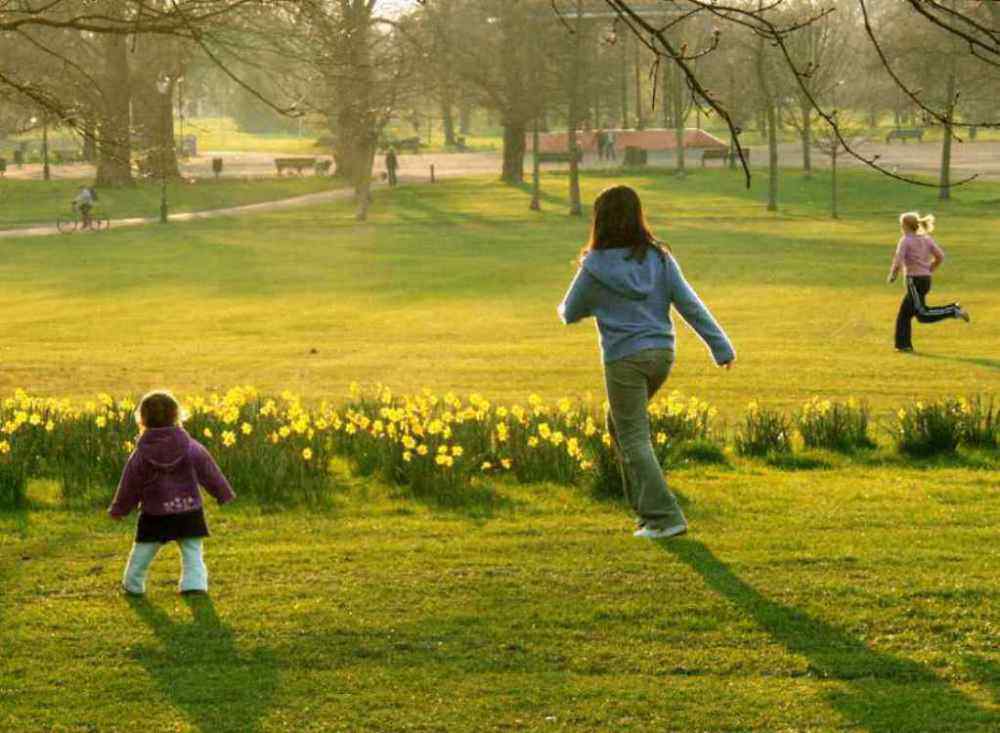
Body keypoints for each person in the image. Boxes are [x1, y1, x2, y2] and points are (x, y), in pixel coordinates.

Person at [558, 185, 734, 540]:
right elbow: (690, 304)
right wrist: (722, 348)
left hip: (624, 359)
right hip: (661, 356)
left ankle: (665, 517)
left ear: (600, 221)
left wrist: (593, 304)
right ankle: (644, 512)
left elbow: (570, 311)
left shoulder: (594, 267)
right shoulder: (659, 258)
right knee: (619, 424)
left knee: (633, 436)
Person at [109, 390, 235, 595]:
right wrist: (223, 493)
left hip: (154, 513)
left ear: (142, 419)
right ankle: (194, 584)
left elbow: (130, 483)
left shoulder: (141, 454)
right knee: (192, 551)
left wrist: (120, 509)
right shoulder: (191, 447)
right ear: (177, 415)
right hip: (188, 510)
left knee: (142, 552)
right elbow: (209, 471)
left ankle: (132, 585)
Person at [887, 211, 970, 353]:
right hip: (926, 280)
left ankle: (954, 310)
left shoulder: (905, 240)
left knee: (923, 314)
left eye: (901, 225)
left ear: (906, 226)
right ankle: (903, 345)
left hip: (914, 281)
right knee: (905, 314)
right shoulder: (926, 239)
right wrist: (929, 269)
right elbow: (940, 256)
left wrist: (893, 275)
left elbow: (898, 260)